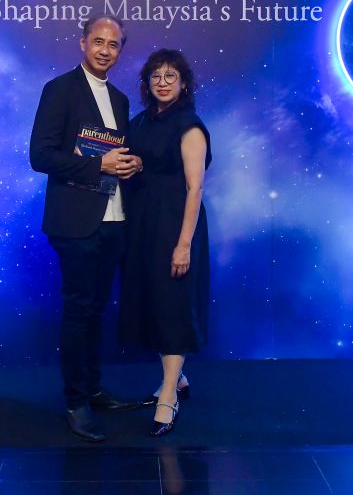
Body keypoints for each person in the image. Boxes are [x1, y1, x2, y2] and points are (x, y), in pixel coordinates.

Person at [29, 15, 143, 442]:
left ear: (120, 51)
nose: (105, 50)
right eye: (98, 41)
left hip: (114, 219)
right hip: (75, 222)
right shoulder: (59, 89)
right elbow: (40, 156)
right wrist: (99, 164)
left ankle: (92, 388)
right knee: (79, 311)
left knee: (97, 311)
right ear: (83, 43)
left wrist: (132, 163)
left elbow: (118, 156)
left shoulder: (120, 99)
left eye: (113, 45)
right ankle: (76, 402)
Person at [119, 48, 211, 437]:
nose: (162, 82)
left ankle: (168, 396)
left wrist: (183, 244)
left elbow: (195, 188)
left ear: (184, 83)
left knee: (173, 307)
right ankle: (178, 378)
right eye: (156, 75)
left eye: (171, 75)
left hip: (175, 225)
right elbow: (135, 162)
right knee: (155, 305)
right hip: (143, 225)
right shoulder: (140, 122)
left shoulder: (190, 126)